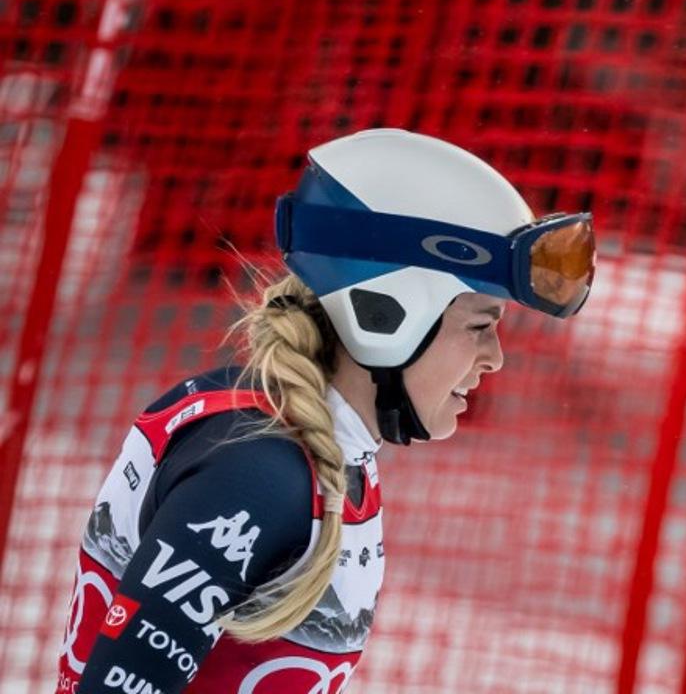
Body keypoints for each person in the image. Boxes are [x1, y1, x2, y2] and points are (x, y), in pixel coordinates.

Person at [56, 128, 596, 693]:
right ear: (386, 312)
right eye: (480, 325)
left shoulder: (323, 452)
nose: (496, 358)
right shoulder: (258, 471)